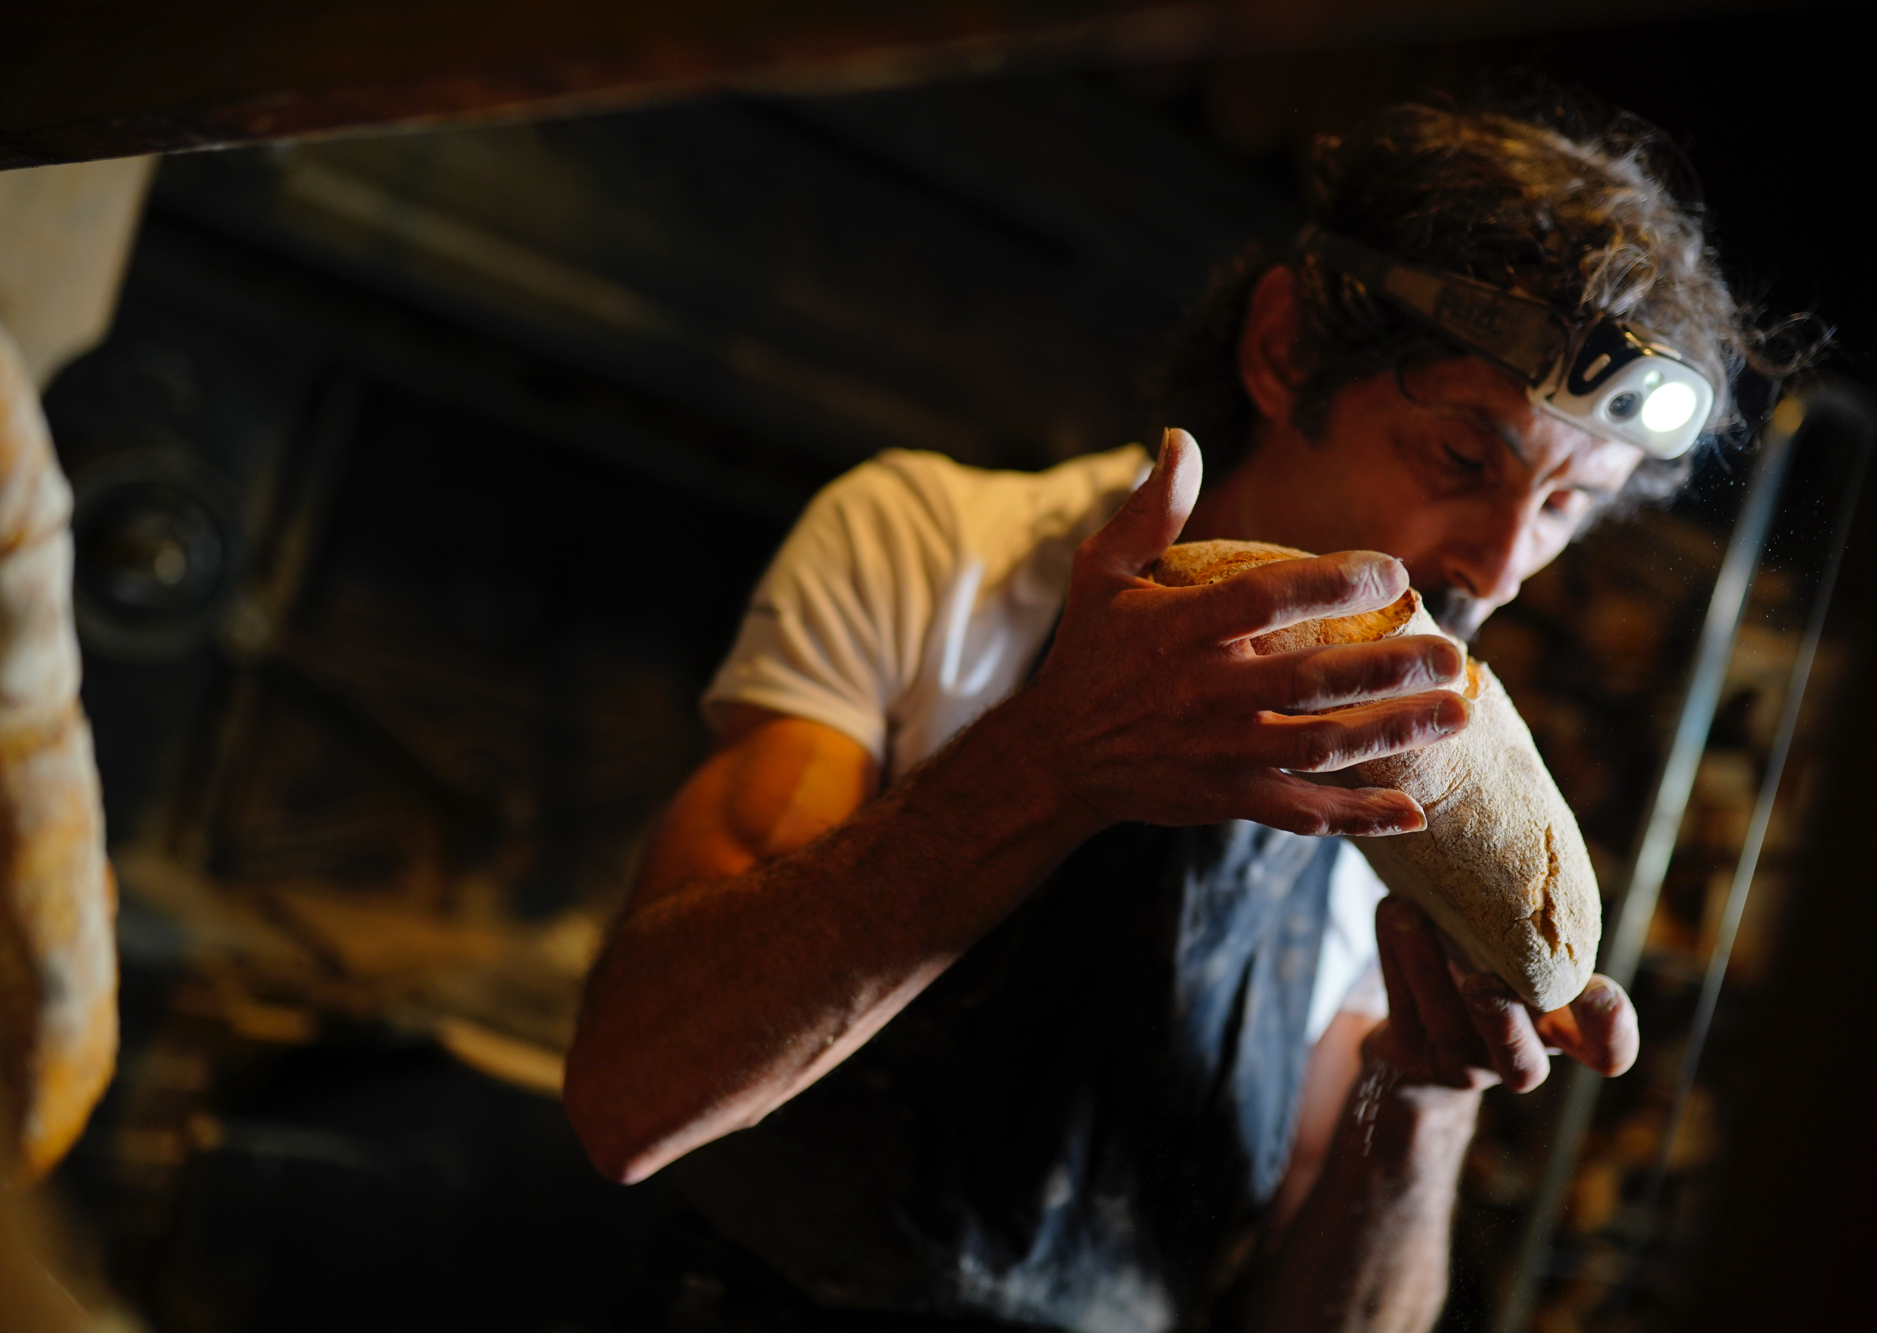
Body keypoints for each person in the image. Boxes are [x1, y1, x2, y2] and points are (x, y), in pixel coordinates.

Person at [565, 102, 1787, 1332]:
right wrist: (1054, 760)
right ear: (1285, 353)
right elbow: (633, 1095)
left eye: (1569, 505)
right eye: (1463, 459)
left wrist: (1424, 1104)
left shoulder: (1413, 789)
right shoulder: (935, 549)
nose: (1504, 566)